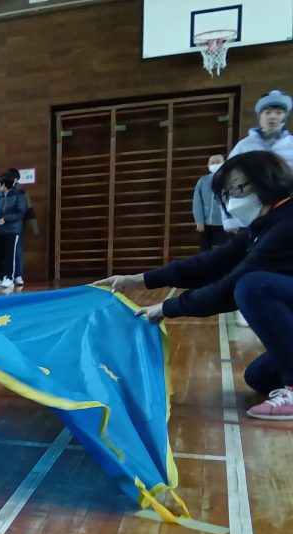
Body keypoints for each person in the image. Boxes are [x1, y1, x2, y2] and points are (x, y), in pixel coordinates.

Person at [95, 151, 293, 420]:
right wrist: (138, 279)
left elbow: (228, 290)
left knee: (252, 285)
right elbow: (211, 263)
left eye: (236, 190)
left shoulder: (286, 224)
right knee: (259, 377)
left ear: (266, 180)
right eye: (225, 195)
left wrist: (168, 307)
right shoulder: (263, 225)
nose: (231, 201)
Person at [224, 90, 293, 326]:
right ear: (260, 115)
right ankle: (246, 304)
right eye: (268, 111)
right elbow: (228, 183)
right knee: (248, 260)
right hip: (254, 216)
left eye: (278, 112)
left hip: (284, 216)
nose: (272, 116)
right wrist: (231, 220)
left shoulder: (291, 146)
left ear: (285, 116)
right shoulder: (244, 147)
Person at [0, 171, 29, 289]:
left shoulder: (19, 195)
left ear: (5, 184)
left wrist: (6, 219)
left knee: (10, 255)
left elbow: (21, 213)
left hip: (12, 231)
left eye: (0, 183)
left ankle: (9, 277)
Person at [193, 154, 227, 250]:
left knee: (223, 251)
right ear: (208, 165)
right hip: (205, 224)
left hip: (223, 224)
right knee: (205, 251)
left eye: (218, 162)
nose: (215, 164)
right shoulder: (202, 181)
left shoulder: (228, 179)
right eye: (212, 163)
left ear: (224, 163)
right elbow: (197, 202)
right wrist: (199, 221)